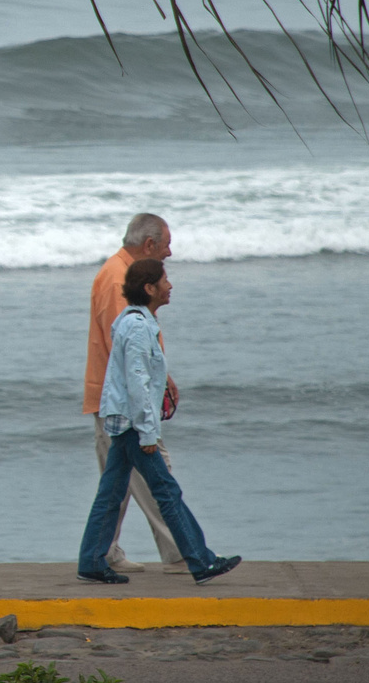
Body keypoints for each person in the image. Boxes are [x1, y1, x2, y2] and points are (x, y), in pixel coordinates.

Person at [76, 258, 240, 585]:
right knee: (166, 491)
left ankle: (92, 561)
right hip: (134, 427)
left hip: (123, 423)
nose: (170, 286)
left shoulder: (132, 321)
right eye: (165, 280)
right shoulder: (137, 327)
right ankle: (200, 560)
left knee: (111, 493)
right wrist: (148, 433)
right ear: (150, 288)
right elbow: (137, 382)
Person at [82, 213, 187, 573]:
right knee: (156, 475)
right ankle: (183, 550)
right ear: (149, 245)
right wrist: (149, 397)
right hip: (124, 403)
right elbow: (126, 347)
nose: (169, 254)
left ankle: (103, 553)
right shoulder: (119, 277)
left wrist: (162, 375)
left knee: (118, 484)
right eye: (166, 246)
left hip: (118, 399)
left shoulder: (119, 271)